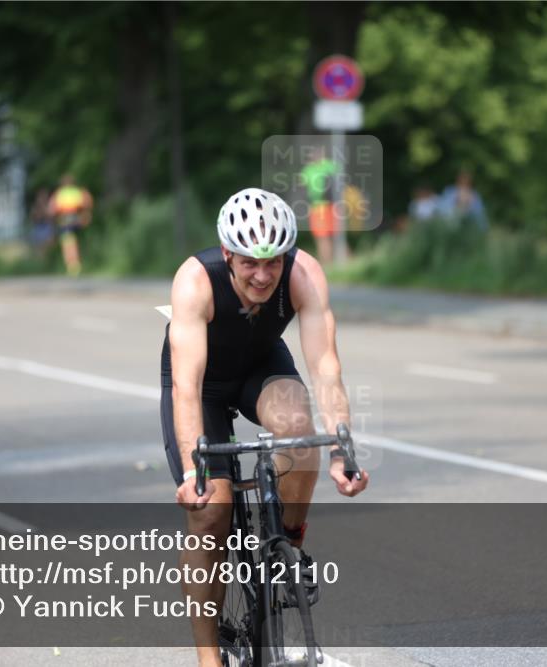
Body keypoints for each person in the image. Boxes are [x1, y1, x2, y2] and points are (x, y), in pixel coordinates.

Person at [161, 187, 370, 667]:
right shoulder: (196, 281)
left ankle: (287, 548)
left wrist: (344, 451)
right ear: (228, 254)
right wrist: (197, 472)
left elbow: (325, 367)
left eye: (272, 262)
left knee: (299, 432)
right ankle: (209, 659)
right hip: (203, 383)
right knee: (211, 512)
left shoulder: (304, 275)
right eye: (250, 263)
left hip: (260, 366)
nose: (262, 274)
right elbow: (187, 387)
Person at [299, 148, 342, 265]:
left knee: (326, 237)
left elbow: (303, 189)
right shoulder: (329, 166)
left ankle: (328, 264)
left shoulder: (311, 169)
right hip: (322, 206)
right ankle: (334, 263)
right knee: (332, 236)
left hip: (323, 206)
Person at [48, 175, 94, 276]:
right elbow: (87, 203)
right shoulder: (77, 192)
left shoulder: (60, 194)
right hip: (76, 219)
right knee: (74, 242)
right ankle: (76, 263)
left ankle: (73, 264)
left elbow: (52, 209)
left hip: (66, 220)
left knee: (68, 243)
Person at [28, 188, 56, 257]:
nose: (42, 198)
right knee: (38, 248)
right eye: (40, 197)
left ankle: (47, 259)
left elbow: (50, 217)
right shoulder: (35, 207)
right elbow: (34, 217)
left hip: (47, 228)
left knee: (48, 245)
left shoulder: (49, 206)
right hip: (38, 228)